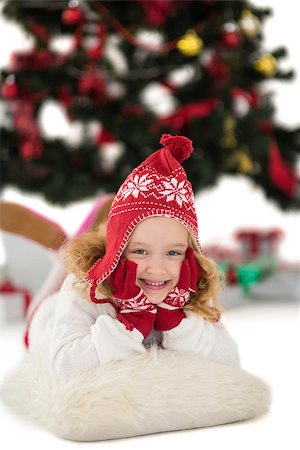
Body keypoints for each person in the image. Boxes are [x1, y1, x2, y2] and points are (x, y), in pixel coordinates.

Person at [26, 134, 239, 379]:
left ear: (189, 254)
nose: (157, 269)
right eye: (140, 251)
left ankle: (92, 236)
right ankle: (65, 257)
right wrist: (130, 323)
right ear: (118, 251)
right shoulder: (85, 288)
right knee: (50, 299)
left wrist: (177, 321)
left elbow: (230, 359)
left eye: (173, 252)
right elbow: (63, 366)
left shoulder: (188, 286)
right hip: (48, 319)